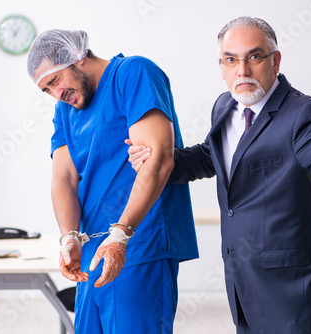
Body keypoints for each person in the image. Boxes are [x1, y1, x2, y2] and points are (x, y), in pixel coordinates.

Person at [127, 17, 311, 334]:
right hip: (244, 287)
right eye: (231, 60)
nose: (242, 70)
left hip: (296, 294)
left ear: (275, 61)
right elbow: (211, 156)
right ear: (221, 66)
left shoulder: (304, 114)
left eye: (254, 57)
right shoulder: (225, 106)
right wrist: (164, 161)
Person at [26, 29, 198, 333]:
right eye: (47, 91)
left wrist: (121, 234)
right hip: (93, 253)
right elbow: (63, 178)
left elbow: (158, 160)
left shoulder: (132, 74)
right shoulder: (65, 110)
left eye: (54, 82)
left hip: (138, 244)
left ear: (77, 56)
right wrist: (69, 237)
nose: (56, 94)